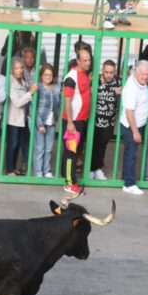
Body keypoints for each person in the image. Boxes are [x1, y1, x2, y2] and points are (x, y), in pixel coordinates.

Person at [61, 46, 92, 194]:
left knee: (75, 152)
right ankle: (69, 183)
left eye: (89, 59)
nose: (88, 62)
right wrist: (70, 123)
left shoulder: (84, 74)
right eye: (84, 60)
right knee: (70, 153)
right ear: (78, 60)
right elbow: (67, 101)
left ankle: (70, 178)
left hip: (81, 120)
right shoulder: (71, 77)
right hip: (73, 122)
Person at [120, 60, 148, 195]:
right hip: (131, 126)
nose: (145, 77)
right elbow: (129, 112)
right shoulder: (132, 88)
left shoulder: (140, 83)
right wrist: (135, 131)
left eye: (147, 74)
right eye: (142, 74)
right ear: (135, 72)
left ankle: (126, 177)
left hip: (137, 125)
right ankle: (129, 184)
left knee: (130, 153)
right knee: (131, 155)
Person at [6, 57, 37, 175]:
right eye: (17, 68)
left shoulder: (22, 81)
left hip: (22, 119)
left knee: (18, 144)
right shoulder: (10, 82)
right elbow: (18, 102)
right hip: (13, 119)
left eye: (21, 68)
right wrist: (31, 92)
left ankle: (13, 168)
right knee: (12, 145)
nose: (20, 70)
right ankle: (9, 169)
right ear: (12, 70)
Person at [91, 60, 121, 180]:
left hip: (109, 121)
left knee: (103, 145)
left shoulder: (118, 82)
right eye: (106, 72)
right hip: (95, 119)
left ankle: (98, 168)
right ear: (102, 71)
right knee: (93, 144)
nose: (109, 75)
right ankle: (90, 168)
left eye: (111, 72)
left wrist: (120, 95)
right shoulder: (95, 80)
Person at [34, 63, 60, 178]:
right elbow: (33, 107)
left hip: (51, 122)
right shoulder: (38, 87)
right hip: (40, 122)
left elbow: (60, 104)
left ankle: (46, 170)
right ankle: (38, 172)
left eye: (50, 75)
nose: (48, 77)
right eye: (45, 75)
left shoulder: (57, 87)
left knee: (49, 148)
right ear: (41, 76)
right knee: (40, 148)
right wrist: (39, 124)